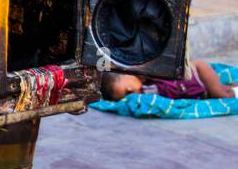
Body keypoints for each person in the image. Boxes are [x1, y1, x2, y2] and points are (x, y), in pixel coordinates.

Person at [102, 62, 238, 102]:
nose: (132, 93)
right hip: (200, 89)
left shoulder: (147, 72)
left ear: (126, 74)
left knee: (222, 94)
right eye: (126, 96)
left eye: (127, 90)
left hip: (199, 72)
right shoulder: (144, 90)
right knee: (226, 89)